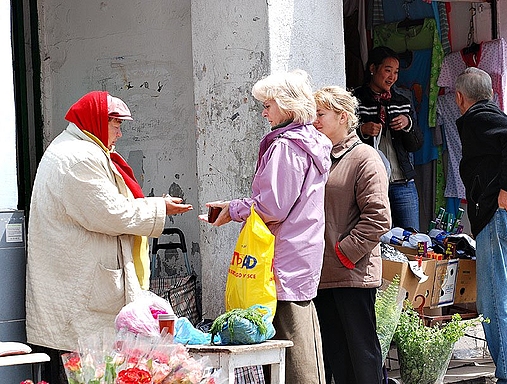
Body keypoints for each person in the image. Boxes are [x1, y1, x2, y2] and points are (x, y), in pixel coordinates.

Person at [26, 91, 193, 384]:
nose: (120, 132)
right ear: (96, 122)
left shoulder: (82, 149)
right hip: (78, 295)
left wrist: (153, 205)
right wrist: (158, 207)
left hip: (81, 287)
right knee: (83, 372)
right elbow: (109, 213)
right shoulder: (79, 157)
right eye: (115, 124)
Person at [200, 70, 331, 383]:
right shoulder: (309, 143)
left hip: (283, 257)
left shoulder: (287, 147)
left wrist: (233, 209)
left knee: (293, 347)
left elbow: (272, 207)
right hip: (300, 252)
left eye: (268, 104)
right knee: (302, 341)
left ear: (286, 106)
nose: (264, 111)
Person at [312, 86, 392, 383]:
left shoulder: (364, 158)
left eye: (320, 114)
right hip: (324, 274)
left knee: (362, 356)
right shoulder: (320, 158)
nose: (314, 121)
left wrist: (345, 252)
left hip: (352, 273)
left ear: (343, 117)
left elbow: (378, 218)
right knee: (337, 356)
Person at [456, 67, 507, 384]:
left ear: (459, 98)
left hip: (499, 218)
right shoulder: (490, 114)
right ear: (491, 93)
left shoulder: (479, 116)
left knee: (495, 303)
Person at [354, 46, 423, 230]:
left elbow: (416, 144)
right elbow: (343, 139)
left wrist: (408, 125)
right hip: (372, 185)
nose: (392, 77)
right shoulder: (356, 100)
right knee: (379, 239)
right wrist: (362, 130)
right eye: (387, 70)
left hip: (403, 184)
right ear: (372, 68)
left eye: (396, 72)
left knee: (411, 240)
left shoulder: (402, 102)